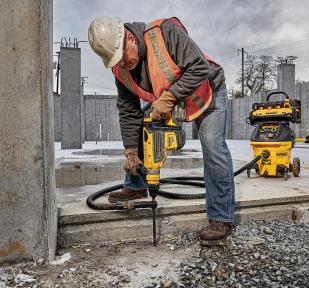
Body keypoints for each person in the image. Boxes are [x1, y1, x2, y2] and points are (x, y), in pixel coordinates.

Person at [88, 16, 235, 245]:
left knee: (213, 147)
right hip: (173, 98)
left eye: (123, 56)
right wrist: (130, 152)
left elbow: (199, 67)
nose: (122, 63)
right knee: (141, 126)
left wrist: (169, 97)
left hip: (207, 91)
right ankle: (136, 185)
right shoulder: (121, 70)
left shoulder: (164, 32)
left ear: (129, 38)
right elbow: (128, 112)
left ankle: (221, 216)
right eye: (116, 61)